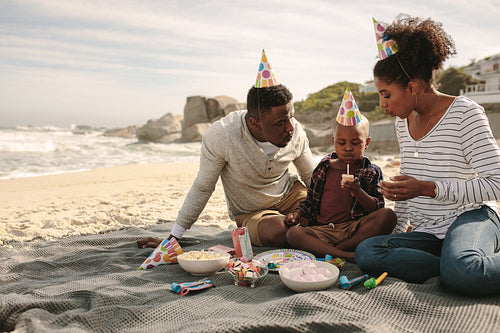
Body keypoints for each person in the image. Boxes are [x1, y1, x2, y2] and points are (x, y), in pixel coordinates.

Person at [355, 15, 500, 296]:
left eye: (386, 95)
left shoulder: (464, 114)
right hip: (430, 232)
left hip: (470, 217)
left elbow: (496, 182)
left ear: (411, 87)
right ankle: (451, 263)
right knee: (367, 252)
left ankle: (459, 263)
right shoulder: (403, 121)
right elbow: (409, 188)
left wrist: (429, 189)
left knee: (464, 273)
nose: (382, 105)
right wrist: (396, 236)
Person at [138, 50, 314, 249]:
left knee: (327, 214)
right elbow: (203, 187)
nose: (290, 127)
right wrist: (173, 238)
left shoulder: (295, 131)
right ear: (255, 123)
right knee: (276, 232)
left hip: (291, 197)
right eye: (281, 122)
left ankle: (307, 230)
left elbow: (311, 177)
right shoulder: (222, 135)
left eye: (291, 117)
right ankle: (305, 232)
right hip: (253, 213)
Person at [285, 89, 396, 262]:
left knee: (388, 216)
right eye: (341, 143)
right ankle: (345, 254)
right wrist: (298, 214)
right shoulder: (323, 168)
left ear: (366, 143)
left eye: (356, 142)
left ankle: (338, 249)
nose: (348, 148)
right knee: (293, 234)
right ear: (333, 142)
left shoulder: (371, 171)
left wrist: (359, 192)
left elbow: (377, 208)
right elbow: (310, 201)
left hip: (354, 229)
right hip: (323, 229)